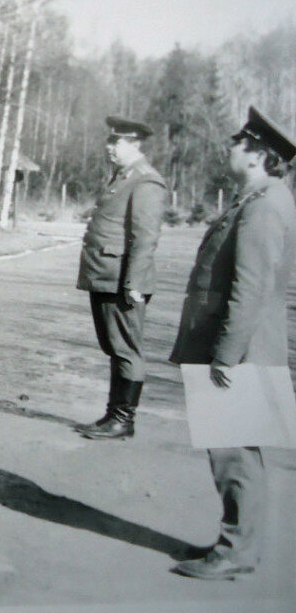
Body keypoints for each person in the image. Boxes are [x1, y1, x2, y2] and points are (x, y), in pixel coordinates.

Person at [170, 107, 296, 580]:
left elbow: (250, 289)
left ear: (260, 155)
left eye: (238, 141)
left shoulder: (264, 206)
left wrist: (224, 356)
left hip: (238, 350)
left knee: (233, 453)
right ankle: (239, 543)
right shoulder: (265, 199)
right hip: (245, 347)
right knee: (239, 451)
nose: (230, 146)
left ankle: (236, 550)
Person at [75, 116, 167, 439]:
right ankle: (113, 415)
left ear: (135, 144)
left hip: (122, 280)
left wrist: (135, 284)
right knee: (115, 347)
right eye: (110, 141)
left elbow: (145, 238)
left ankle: (123, 419)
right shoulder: (123, 176)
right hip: (106, 276)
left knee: (127, 348)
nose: (109, 147)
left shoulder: (145, 181)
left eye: (117, 142)